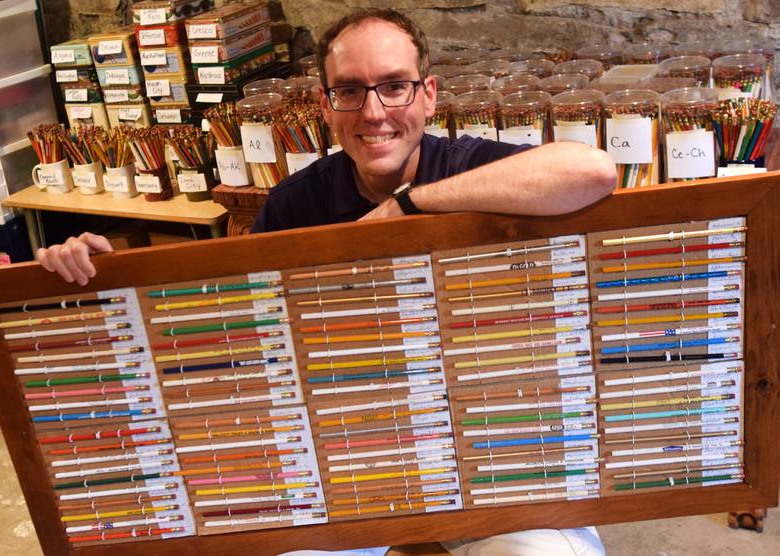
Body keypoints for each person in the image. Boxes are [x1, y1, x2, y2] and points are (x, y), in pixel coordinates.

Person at [37, 8, 615, 556]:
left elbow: (590, 170)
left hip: (495, 448)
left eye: (395, 85)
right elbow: (233, 336)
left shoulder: (475, 168)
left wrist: (406, 208)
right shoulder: (293, 205)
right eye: (350, 90)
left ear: (428, 94)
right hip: (349, 463)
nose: (373, 111)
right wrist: (106, 277)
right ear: (325, 103)